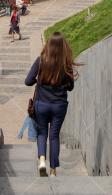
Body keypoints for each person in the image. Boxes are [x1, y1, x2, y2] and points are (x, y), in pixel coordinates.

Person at [25, 32, 79, 177]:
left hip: (41, 104)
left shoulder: (41, 61)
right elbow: (70, 87)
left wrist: (42, 80)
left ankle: (42, 161)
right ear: (63, 47)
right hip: (59, 106)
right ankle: (53, 170)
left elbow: (28, 81)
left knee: (42, 133)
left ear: (48, 45)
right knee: (54, 136)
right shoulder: (66, 64)